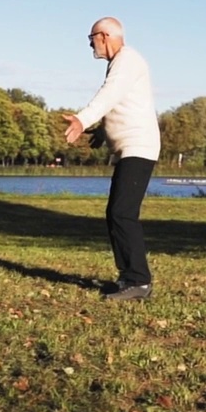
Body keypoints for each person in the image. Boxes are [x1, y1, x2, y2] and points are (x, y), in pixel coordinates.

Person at [63, 17, 161, 301]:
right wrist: (102, 131)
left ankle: (138, 282)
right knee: (117, 212)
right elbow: (122, 103)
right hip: (131, 147)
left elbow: (109, 95)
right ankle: (130, 279)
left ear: (104, 35)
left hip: (138, 147)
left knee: (122, 213)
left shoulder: (127, 60)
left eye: (91, 38)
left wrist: (82, 120)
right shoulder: (122, 62)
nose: (90, 44)